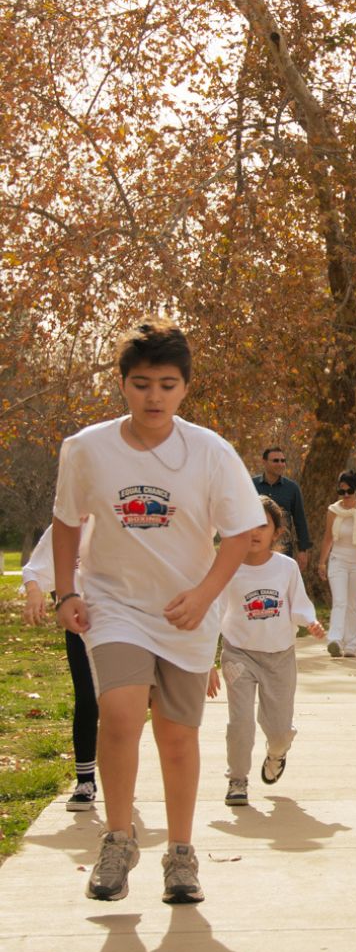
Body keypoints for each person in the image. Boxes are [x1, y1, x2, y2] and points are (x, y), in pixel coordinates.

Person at [52, 317, 265, 904]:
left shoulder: (210, 451)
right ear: (122, 383)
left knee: (176, 736)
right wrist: (66, 592)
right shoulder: (87, 448)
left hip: (185, 613)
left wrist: (203, 596)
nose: (154, 396)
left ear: (185, 388)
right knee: (119, 714)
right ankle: (117, 841)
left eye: (167, 384)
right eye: (142, 383)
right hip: (114, 603)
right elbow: (67, 521)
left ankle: (180, 855)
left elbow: (243, 532)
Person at [209, 496, 325, 808]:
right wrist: (207, 660)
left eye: (263, 525)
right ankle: (237, 779)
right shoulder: (227, 568)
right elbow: (214, 612)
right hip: (239, 655)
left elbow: (299, 605)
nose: (255, 532)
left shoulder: (285, 568)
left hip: (279, 656)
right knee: (241, 721)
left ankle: (277, 751)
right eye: (247, 525)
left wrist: (310, 622)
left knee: (278, 730)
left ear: (276, 532)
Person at [22, 521, 99, 809]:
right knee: (87, 700)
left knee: (119, 706)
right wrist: (34, 593)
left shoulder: (117, 518)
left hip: (121, 627)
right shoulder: (63, 528)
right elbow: (35, 569)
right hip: (80, 628)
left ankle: (120, 776)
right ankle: (85, 780)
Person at [317, 471, 356, 658]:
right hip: (338, 559)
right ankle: (334, 640)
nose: (346, 495)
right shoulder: (333, 510)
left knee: (353, 604)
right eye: (342, 492)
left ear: (355, 489)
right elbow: (327, 538)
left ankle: (351, 645)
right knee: (340, 601)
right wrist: (322, 563)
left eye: (349, 491)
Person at [253, 447, 313, 572]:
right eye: (276, 460)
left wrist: (302, 550)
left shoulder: (292, 488)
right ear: (264, 462)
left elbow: (299, 520)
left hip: (283, 548)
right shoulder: (250, 485)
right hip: (255, 546)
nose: (280, 464)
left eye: (283, 460)